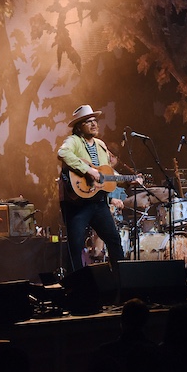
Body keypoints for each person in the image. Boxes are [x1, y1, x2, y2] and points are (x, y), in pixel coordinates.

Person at [57, 104, 139, 272]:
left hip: (97, 202)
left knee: (114, 240)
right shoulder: (74, 141)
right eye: (88, 121)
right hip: (77, 205)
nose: (94, 124)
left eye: (95, 121)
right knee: (76, 246)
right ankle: (77, 287)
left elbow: (107, 173)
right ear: (80, 126)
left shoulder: (101, 145)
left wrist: (128, 181)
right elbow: (63, 154)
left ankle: (120, 279)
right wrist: (88, 171)